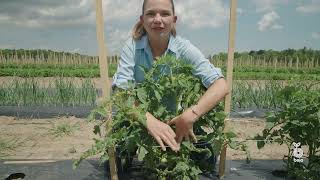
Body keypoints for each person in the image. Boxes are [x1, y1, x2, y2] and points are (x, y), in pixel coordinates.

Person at [111, 0, 229, 152]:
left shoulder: (183, 48)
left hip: (174, 121)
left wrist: (191, 115)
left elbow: (221, 85)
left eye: (165, 14)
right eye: (151, 14)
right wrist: (150, 121)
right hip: (137, 119)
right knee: (119, 154)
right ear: (142, 20)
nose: (158, 19)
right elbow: (121, 94)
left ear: (174, 20)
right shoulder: (132, 47)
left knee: (203, 156)